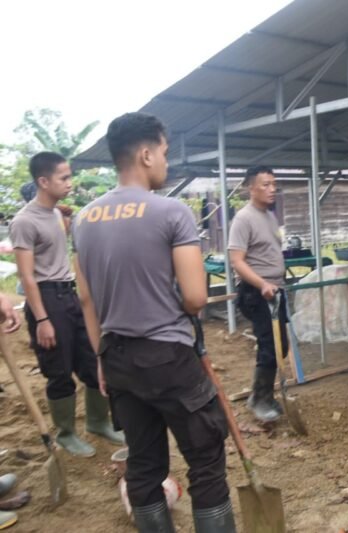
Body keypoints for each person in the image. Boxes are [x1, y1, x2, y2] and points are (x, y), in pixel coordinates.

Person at [72, 112, 234, 532]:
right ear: (145, 154)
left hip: (117, 359)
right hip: (169, 358)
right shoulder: (171, 212)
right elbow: (196, 297)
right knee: (205, 462)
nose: (166, 161)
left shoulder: (84, 220)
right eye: (163, 153)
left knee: (143, 466)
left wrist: (102, 360)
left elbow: (87, 300)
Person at [10, 152, 123, 458]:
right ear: (43, 182)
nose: (70, 183)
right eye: (64, 178)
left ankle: (98, 421)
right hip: (46, 298)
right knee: (58, 369)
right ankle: (66, 432)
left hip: (69, 295)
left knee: (90, 358)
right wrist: (43, 319)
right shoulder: (24, 221)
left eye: (69, 176)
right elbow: (27, 276)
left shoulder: (57, 214)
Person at [228, 165, 287, 423]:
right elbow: (237, 261)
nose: (271, 189)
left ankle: (264, 394)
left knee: (279, 345)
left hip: (275, 290)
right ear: (250, 187)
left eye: (273, 184)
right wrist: (262, 284)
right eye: (265, 184)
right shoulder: (244, 218)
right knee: (269, 346)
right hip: (257, 292)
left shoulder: (269, 216)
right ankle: (259, 399)